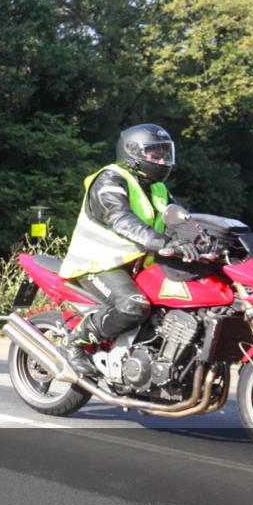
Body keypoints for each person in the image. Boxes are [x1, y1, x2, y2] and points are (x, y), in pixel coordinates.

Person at [58, 124, 199, 376]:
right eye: (154, 155)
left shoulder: (158, 188)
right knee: (133, 305)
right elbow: (121, 218)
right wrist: (164, 244)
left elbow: (181, 220)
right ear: (132, 153)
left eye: (165, 154)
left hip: (137, 266)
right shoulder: (109, 179)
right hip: (98, 264)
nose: (163, 160)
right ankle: (75, 343)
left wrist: (205, 240)